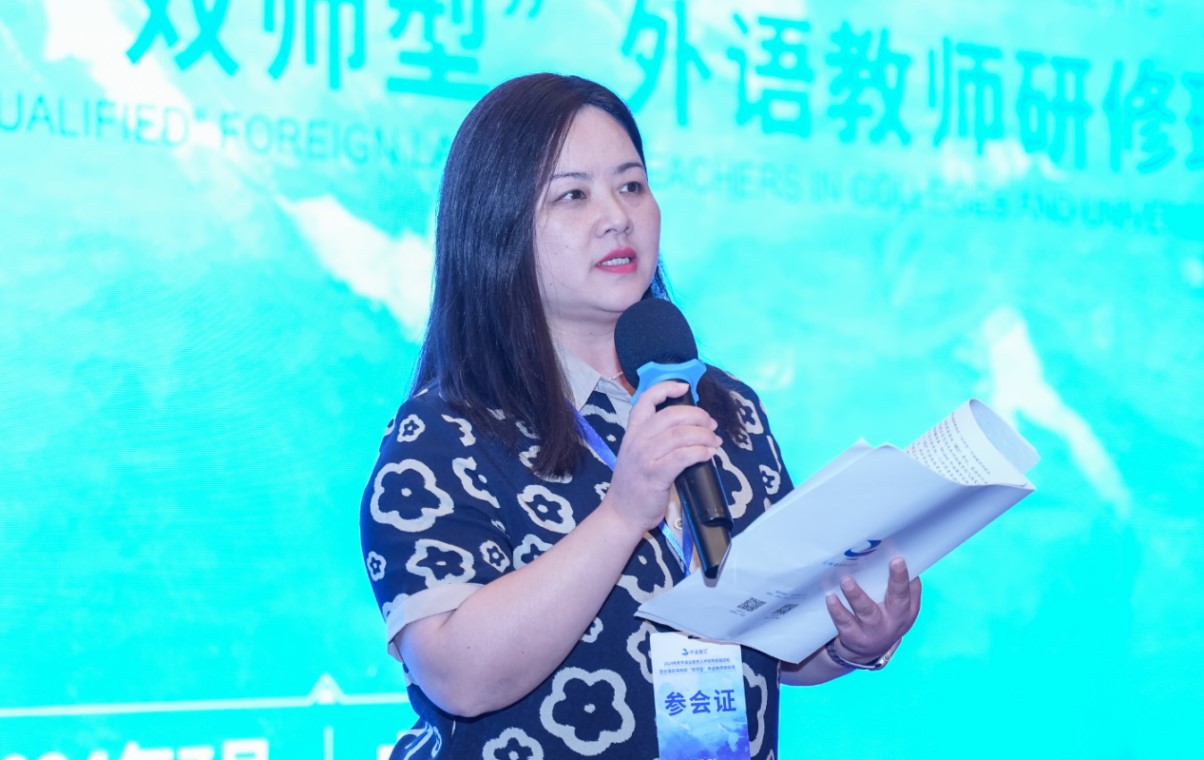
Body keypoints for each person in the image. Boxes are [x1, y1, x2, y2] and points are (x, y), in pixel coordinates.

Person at [360, 72, 922, 759]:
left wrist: (851, 642)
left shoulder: (726, 408)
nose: (617, 217)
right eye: (573, 195)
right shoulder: (447, 432)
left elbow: (769, 642)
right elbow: (457, 677)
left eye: (631, 186)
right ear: (497, 227)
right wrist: (622, 514)